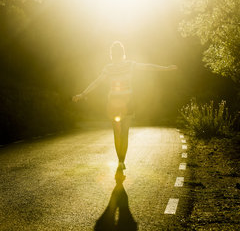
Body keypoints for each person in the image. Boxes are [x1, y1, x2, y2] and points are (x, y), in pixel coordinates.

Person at [72, 41, 177, 172]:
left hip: (114, 102)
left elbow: (97, 82)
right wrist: (165, 68)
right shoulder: (129, 65)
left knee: (117, 133)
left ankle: (120, 161)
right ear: (123, 54)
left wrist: (83, 94)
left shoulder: (109, 68)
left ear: (112, 55)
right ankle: (122, 161)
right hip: (127, 102)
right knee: (124, 133)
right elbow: (148, 66)